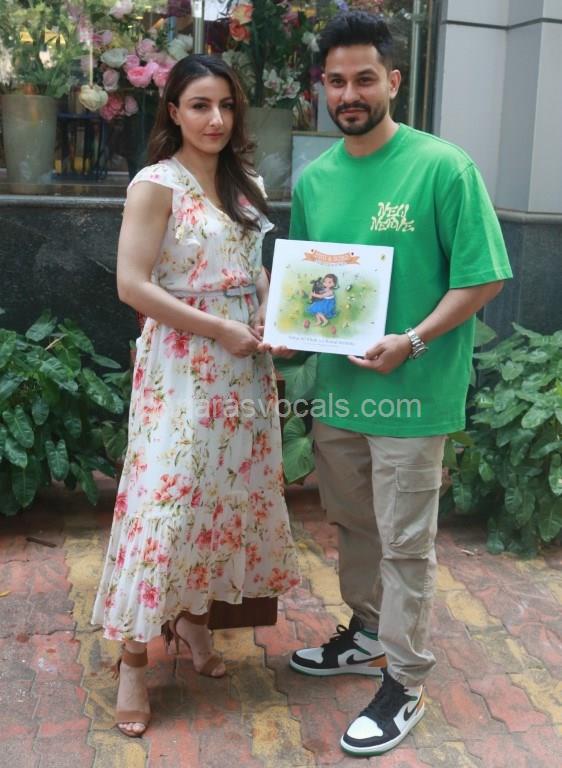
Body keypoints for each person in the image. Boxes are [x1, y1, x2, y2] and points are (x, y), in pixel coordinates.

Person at [284, 10, 513, 758]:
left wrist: (411, 340)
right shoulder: (316, 179)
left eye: (364, 79)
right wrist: (289, 333)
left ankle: (405, 680)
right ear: (323, 86)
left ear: (394, 80)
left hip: (413, 395)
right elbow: (311, 288)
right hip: (340, 395)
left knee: (407, 545)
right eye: (336, 81)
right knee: (355, 525)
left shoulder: (443, 168)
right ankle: (367, 632)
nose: (348, 95)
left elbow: (483, 278)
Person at [91, 54, 299, 738]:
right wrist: (220, 328)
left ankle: (194, 620)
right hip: (183, 363)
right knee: (165, 500)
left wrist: (271, 320)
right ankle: (132, 660)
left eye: (226, 106)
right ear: (174, 111)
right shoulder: (156, 183)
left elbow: (252, 271)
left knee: (220, 495)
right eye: (201, 105)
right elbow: (131, 284)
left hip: (243, 365)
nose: (216, 119)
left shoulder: (246, 182)